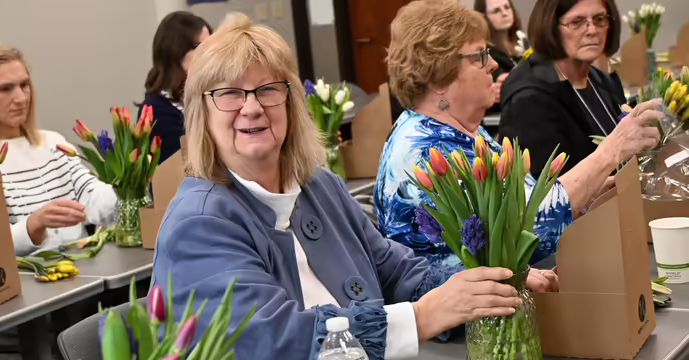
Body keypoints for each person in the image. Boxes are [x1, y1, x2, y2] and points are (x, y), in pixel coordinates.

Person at [151, 13, 559, 360]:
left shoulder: (319, 186)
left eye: (268, 89)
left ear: (290, 102)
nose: (253, 106)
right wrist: (421, 317)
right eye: (230, 93)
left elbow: (395, 268)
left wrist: (482, 283)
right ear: (202, 114)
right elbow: (273, 339)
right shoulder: (199, 223)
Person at [375, 0, 660, 270]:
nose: (493, 64)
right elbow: (524, 229)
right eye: (479, 56)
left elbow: (524, 205)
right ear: (437, 75)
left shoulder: (461, 131)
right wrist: (611, 151)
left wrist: (591, 191)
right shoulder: (424, 151)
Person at [0, 43, 116, 256]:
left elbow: (94, 200)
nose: (21, 97)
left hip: (82, 272)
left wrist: (132, 184)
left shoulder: (51, 143)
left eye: (24, 85)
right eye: (5, 88)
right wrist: (33, 225)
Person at [498, 0, 643, 178]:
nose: (592, 30)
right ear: (551, 27)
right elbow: (546, 192)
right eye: (577, 22)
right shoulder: (529, 98)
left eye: (599, 19)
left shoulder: (602, 80)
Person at [138, 11, 212, 164]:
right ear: (176, 55)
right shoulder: (156, 110)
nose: (211, 56)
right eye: (201, 48)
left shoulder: (211, 95)